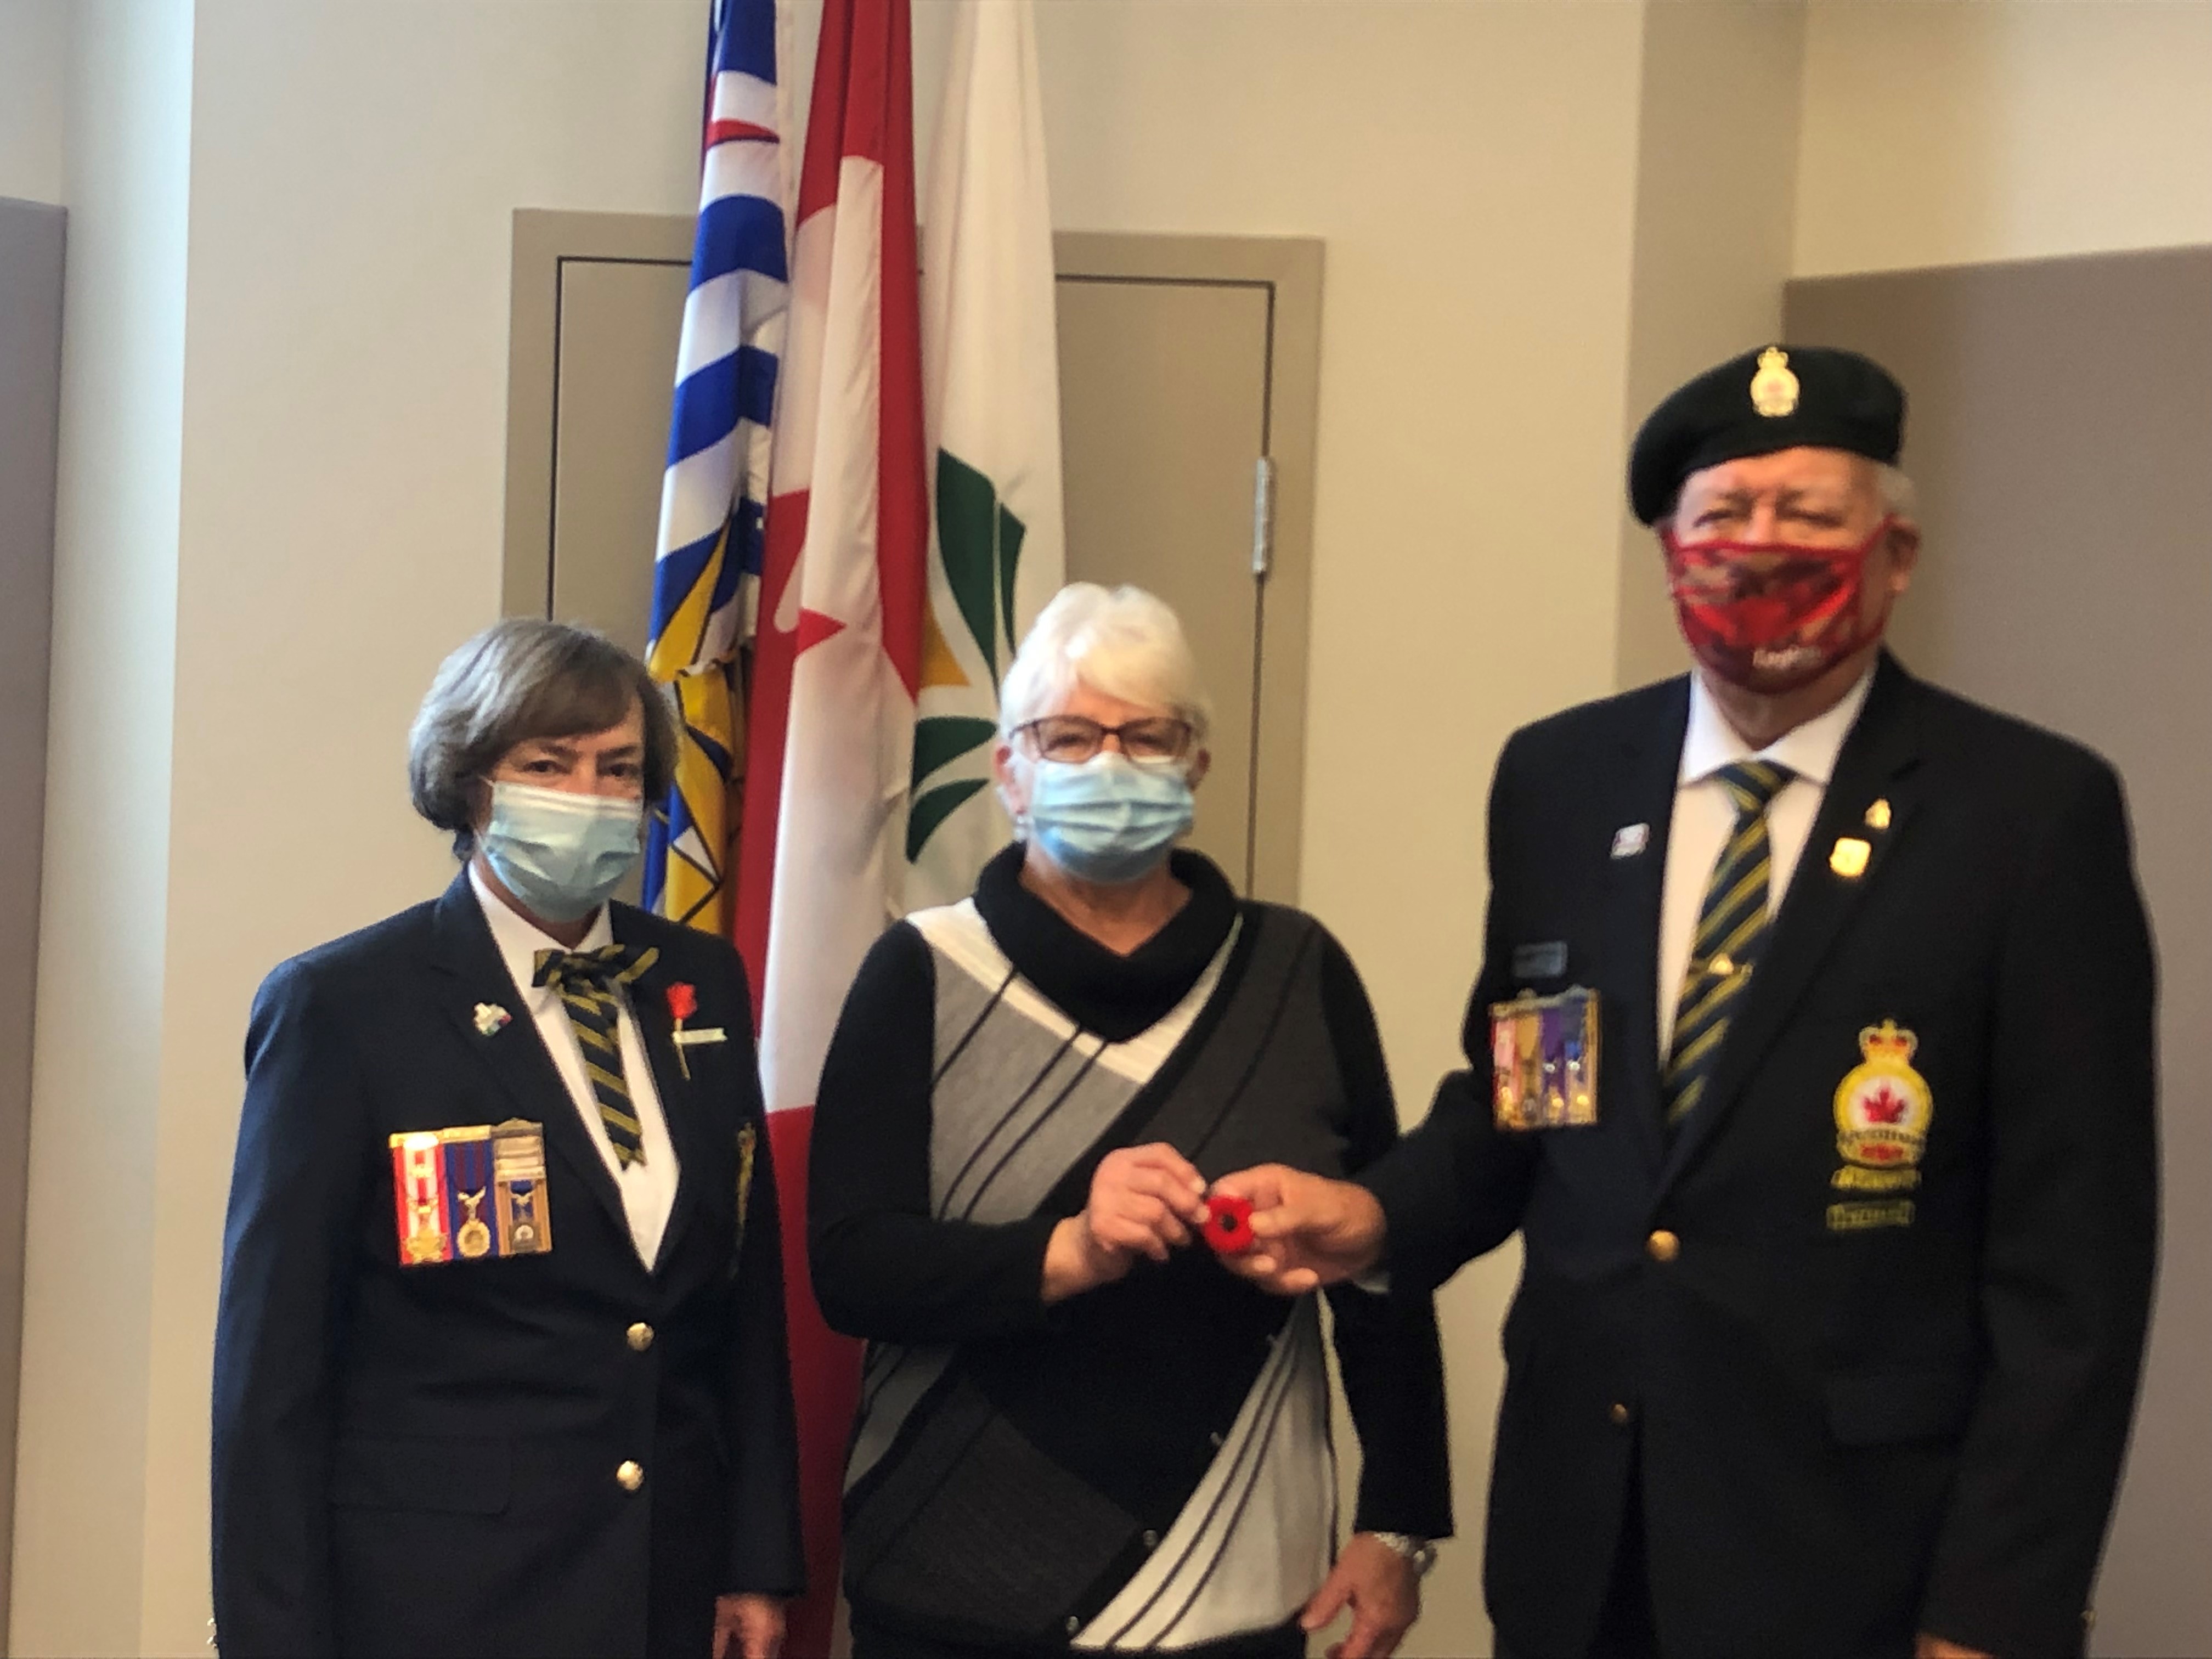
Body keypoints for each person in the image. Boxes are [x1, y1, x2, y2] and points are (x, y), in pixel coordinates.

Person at [1217, 347, 2159, 1659]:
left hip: (1864, 1564)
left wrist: (1996, 1613)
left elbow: (2076, 1274)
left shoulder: (2028, 815)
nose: (1758, 553)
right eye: (1721, 518)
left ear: (1898, 551)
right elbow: (1530, 1098)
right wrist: (1375, 1215)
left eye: (1810, 517)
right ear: (1669, 548)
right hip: (1581, 1544)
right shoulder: (1561, 779)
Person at [806, 583, 1453, 1659]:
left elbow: (1382, 1269)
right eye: (1068, 737)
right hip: (951, 1588)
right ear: (1010, 772)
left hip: (1243, 1592)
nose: (1109, 767)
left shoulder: (1299, 970)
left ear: (1195, 766)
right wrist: (1065, 1252)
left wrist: (1402, 1523)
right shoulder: (919, 970)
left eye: (1147, 737)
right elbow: (850, 1266)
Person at [211, 619, 804, 1658]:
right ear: (469, 783)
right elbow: (273, 1374)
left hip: (664, 1583)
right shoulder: (344, 1008)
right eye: (547, 764)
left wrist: (755, 1557)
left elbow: (740, 1297)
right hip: (437, 1602)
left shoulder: (700, 986)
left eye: (619, 769)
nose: (588, 794)